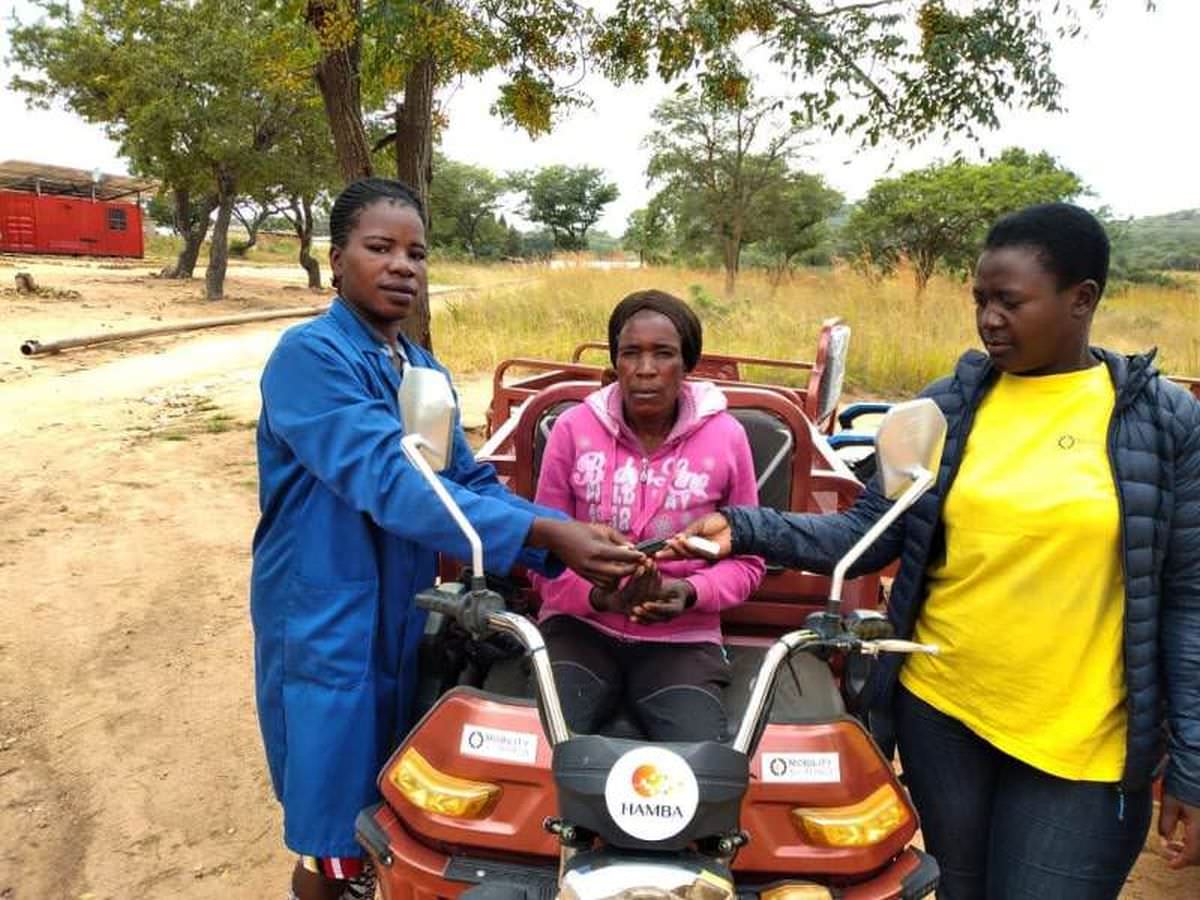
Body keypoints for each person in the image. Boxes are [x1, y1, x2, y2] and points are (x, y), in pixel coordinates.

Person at [665, 204, 1200, 897]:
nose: (989, 320)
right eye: (981, 300)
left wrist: (1190, 759)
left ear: (1082, 299)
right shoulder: (941, 408)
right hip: (944, 719)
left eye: (1011, 301)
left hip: (1086, 745)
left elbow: (1189, 600)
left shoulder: (1162, 423)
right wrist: (743, 528)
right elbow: (864, 531)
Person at [250, 178, 644, 900]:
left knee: (400, 811)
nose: (403, 266)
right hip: (326, 615)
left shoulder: (421, 369)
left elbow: (468, 482)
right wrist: (546, 531)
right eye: (380, 248)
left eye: (417, 253)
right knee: (331, 835)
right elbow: (389, 478)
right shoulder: (311, 358)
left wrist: (558, 549)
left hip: (404, 612)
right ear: (337, 260)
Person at [530, 290, 765, 742]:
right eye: (630, 353)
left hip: (683, 639)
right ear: (615, 362)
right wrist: (599, 598)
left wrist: (690, 593)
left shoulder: (728, 438)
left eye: (664, 354)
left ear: (688, 364)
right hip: (578, 628)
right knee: (551, 746)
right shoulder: (573, 430)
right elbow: (543, 552)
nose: (645, 369)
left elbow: (748, 561)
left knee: (700, 765)